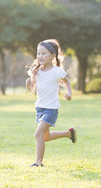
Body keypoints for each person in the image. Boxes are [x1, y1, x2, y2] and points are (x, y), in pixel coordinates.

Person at [25, 39, 76, 167]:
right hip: (40, 108)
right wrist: (28, 84)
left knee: (38, 134)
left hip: (51, 109)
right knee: (45, 137)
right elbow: (32, 90)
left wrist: (69, 93)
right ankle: (69, 134)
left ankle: (38, 162)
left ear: (53, 56)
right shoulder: (36, 71)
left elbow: (66, 81)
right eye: (38, 53)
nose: (40, 56)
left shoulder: (57, 71)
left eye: (44, 53)